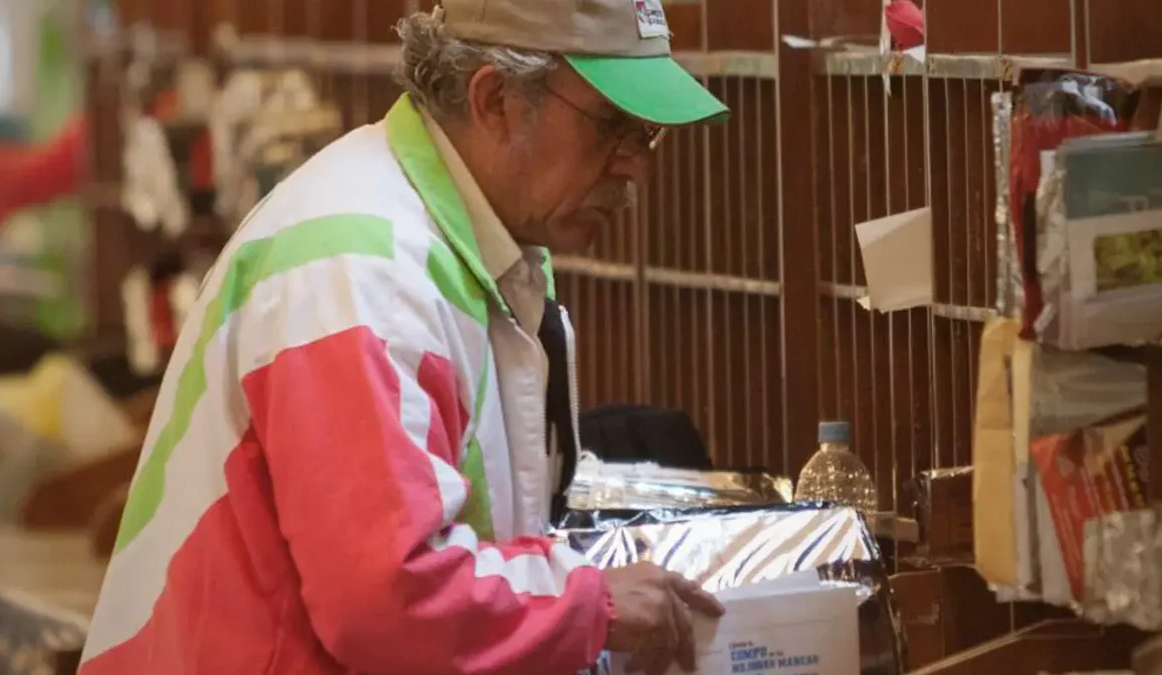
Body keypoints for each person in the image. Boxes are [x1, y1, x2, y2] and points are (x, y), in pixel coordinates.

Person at [77, 0, 731, 674]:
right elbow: (387, 599)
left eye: (647, 134)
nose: (635, 168)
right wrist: (589, 605)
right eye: (613, 127)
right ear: (496, 99)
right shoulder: (364, 273)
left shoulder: (463, 246)